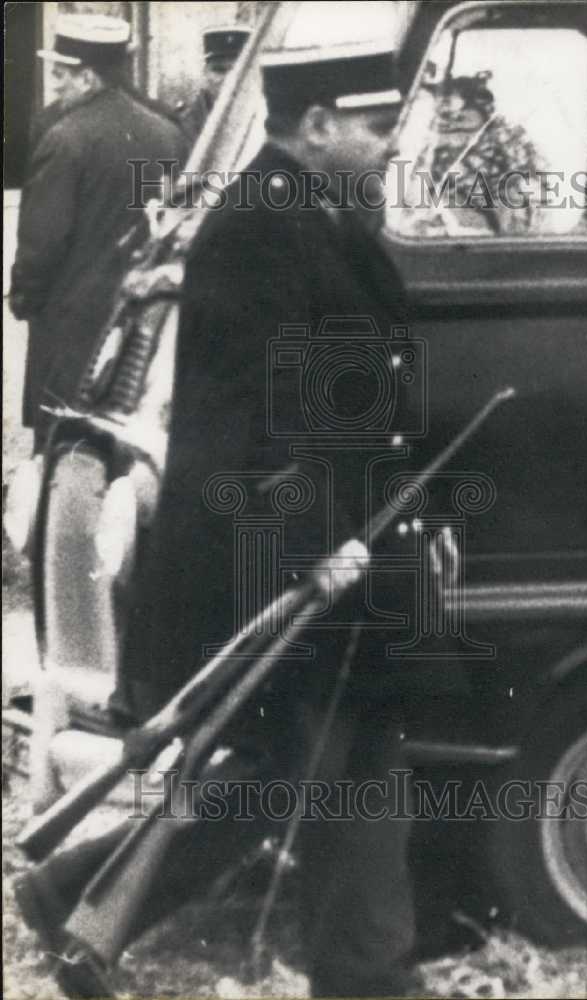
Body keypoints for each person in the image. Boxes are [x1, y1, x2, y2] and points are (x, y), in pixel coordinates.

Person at [15, 40, 421, 1000]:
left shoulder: (314, 211)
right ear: (318, 126)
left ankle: (71, 891)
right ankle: (369, 979)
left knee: (302, 764)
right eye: (378, 126)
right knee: (337, 763)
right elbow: (243, 423)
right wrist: (311, 548)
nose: (391, 143)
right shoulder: (260, 230)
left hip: (327, 544)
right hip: (287, 554)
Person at [8, 13, 188, 453]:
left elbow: (42, 241)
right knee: (124, 448)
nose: (54, 84)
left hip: (73, 327)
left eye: (61, 73)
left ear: (88, 78)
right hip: (142, 325)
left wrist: (24, 297)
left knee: (61, 451)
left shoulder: (65, 138)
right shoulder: (167, 134)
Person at [176, 24, 251, 147]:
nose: (228, 79)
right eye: (219, 70)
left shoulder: (266, 123)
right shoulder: (183, 126)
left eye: (238, 71)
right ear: (205, 73)